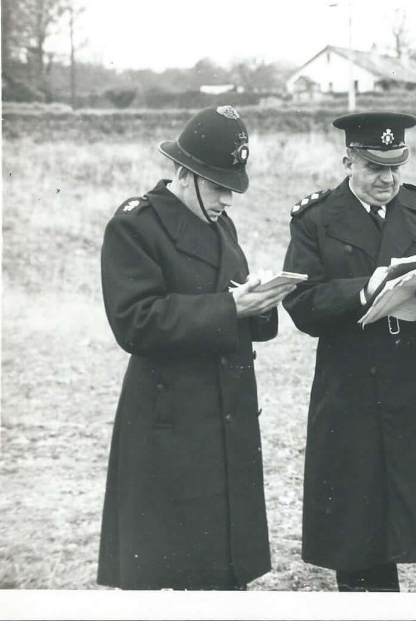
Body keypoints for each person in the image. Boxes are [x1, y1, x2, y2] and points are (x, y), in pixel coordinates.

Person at [282, 111, 416, 592]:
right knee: (362, 540)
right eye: (376, 167)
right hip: (354, 395)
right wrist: (365, 288)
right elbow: (301, 302)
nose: (389, 178)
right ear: (348, 160)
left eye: (397, 165)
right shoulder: (316, 220)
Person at [97, 105, 295, 590]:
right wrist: (231, 307)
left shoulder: (218, 222)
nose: (228, 198)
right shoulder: (136, 225)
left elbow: (235, 302)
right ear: (184, 175)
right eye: (218, 185)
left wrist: (260, 302)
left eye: (232, 186)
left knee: (223, 564)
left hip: (226, 413)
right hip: (168, 421)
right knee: (170, 568)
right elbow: (135, 322)